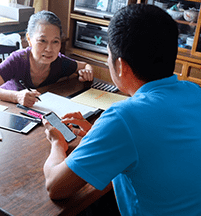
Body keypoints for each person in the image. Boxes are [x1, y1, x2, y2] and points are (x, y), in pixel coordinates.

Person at [42, 4, 201, 216]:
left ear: (120, 65)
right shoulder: (194, 91)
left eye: (108, 56)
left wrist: (57, 144)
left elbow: (55, 186)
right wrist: (97, 135)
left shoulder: (124, 117)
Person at [0, 10, 94, 107]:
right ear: (29, 39)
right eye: (42, 41)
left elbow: (85, 65)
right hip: (9, 113)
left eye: (55, 42)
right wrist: (16, 96)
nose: (49, 49)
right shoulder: (18, 60)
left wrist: (88, 71)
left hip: (37, 112)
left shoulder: (59, 61)